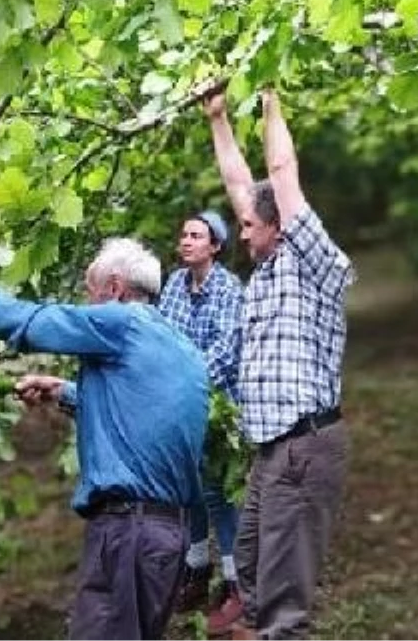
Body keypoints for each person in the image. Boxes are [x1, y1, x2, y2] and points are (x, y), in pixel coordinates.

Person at [0, 238, 209, 641]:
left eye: (90, 292)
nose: (87, 303)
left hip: (127, 533)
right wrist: (64, 391)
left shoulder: (120, 322)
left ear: (114, 288)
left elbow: (33, 322)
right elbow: (144, 414)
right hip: (166, 537)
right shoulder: (181, 346)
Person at [201, 90, 353, 640]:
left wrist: (271, 106)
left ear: (280, 227)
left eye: (247, 225)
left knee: (285, 599)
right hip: (273, 452)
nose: (239, 233)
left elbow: (279, 174)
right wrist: (218, 120)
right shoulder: (263, 271)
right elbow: (245, 186)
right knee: (251, 574)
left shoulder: (313, 265)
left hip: (304, 445)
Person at [156, 210, 245, 624]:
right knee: (185, 489)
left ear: (215, 246)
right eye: (184, 234)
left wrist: (185, 381)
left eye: (196, 236)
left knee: (218, 495)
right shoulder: (174, 284)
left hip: (218, 406)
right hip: (179, 404)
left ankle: (235, 584)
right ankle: (195, 571)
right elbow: (166, 339)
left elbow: (226, 353)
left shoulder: (229, 289)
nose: (187, 241)